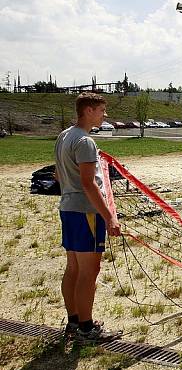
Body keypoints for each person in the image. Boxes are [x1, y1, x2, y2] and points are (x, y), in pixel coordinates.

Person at [54, 92, 122, 342]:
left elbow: (59, 175)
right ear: (90, 110)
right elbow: (88, 183)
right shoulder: (84, 141)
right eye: (102, 110)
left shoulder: (64, 136)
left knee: (73, 268)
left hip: (69, 208)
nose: (104, 115)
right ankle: (86, 327)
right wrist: (109, 217)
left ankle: (74, 320)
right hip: (85, 212)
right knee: (88, 271)